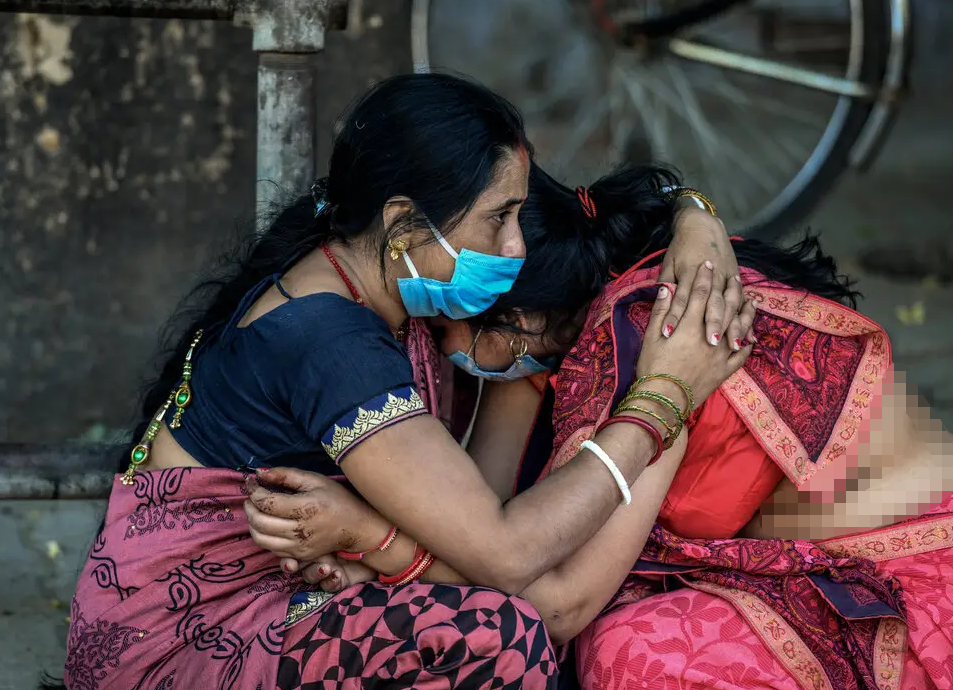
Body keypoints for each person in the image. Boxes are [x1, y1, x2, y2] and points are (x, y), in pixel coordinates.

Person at [56, 74, 752, 690]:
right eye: (498, 219)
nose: (515, 245)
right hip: (173, 650)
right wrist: (663, 399)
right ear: (402, 224)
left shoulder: (394, 290)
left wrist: (692, 211)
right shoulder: (331, 340)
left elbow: (478, 522)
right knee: (499, 639)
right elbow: (506, 558)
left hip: (260, 601)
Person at [250, 162, 952, 690]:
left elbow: (556, 603)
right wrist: (692, 209)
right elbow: (486, 523)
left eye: (447, 328)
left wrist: (367, 538)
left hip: (902, 580)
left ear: (518, 316)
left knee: (624, 649)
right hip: (800, 564)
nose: (437, 347)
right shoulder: (549, 333)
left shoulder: (654, 332)